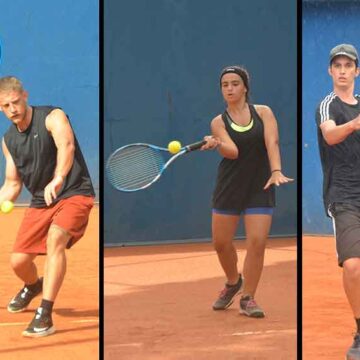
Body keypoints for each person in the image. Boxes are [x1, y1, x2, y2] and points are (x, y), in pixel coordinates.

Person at [0, 76, 95, 337]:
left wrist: (59, 178)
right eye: (6, 106)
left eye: (16, 102)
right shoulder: (8, 141)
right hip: (41, 203)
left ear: (25, 96)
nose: (13, 109)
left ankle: (45, 314)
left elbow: (67, 146)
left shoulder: (53, 117)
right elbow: (12, 185)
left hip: (74, 191)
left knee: (56, 239)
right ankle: (32, 286)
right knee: (18, 262)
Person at [201, 65, 293, 318]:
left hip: (259, 183)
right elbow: (233, 152)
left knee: (257, 242)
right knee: (221, 243)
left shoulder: (263, 112)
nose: (229, 88)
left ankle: (248, 297)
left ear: (245, 87)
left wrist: (276, 170)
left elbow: (272, 142)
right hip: (229, 185)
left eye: (234, 83)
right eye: (225, 85)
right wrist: (218, 143)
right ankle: (233, 282)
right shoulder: (218, 122)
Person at [316, 44, 360, 359]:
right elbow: (330, 136)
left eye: (349, 65)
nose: (343, 70)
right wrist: (356, 123)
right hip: (344, 196)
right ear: (331, 71)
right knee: (355, 267)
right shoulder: (328, 105)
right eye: (338, 65)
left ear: (357, 71)